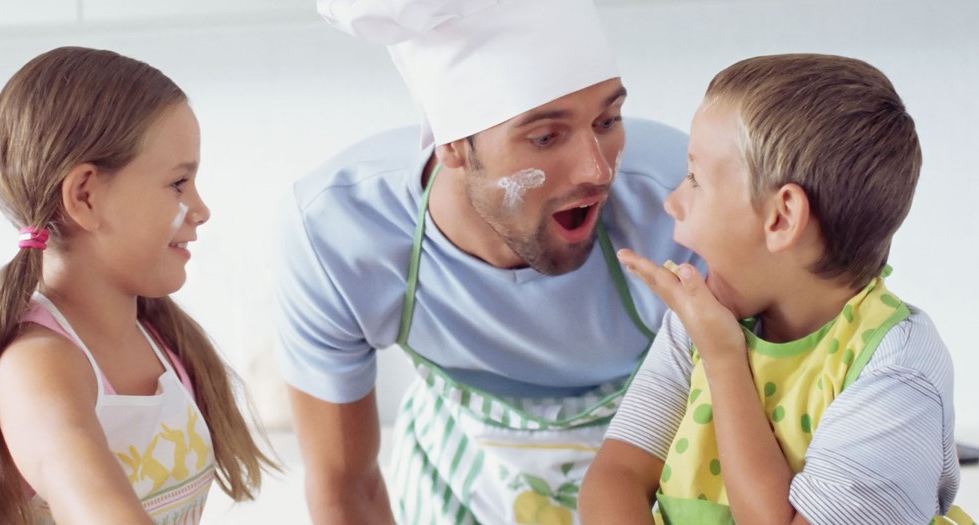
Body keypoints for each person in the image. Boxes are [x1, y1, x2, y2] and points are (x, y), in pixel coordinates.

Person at [275, 0, 699, 522]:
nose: (596, 169)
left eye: (608, 120)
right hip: (453, 487)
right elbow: (346, 486)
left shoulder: (682, 200)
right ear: (453, 144)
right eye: (545, 137)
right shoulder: (339, 231)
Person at [581, 53, 974, 525]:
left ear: (781, 218)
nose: (672, 201)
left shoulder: (897, 370)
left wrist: (725, 361)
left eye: (695, 179)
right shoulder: (697, 325)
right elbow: (616, 475)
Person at [0, 46, 272, 525]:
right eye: (178, 183)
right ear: (85, 195)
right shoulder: (39, 366)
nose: (200, 208)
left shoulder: (160, 341)